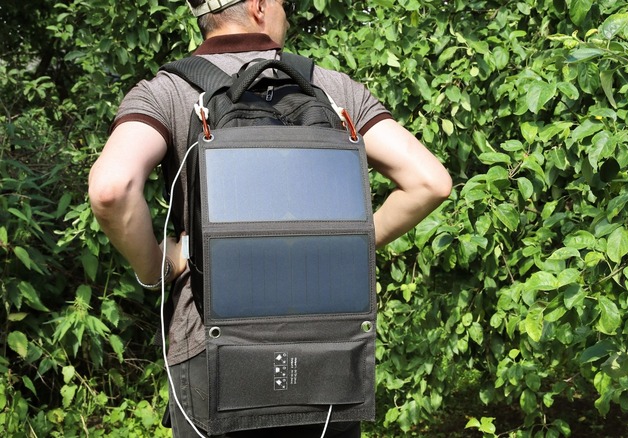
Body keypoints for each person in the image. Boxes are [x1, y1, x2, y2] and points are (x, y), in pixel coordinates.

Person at [88, 0, 452, 436]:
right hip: (328, 349)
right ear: (260, 6)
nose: (290, 13)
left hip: (213, 350)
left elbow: (111, 190)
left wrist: (159, 267)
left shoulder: (167, 91)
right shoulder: (333, 89)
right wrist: (343, 243)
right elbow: (430, 182)